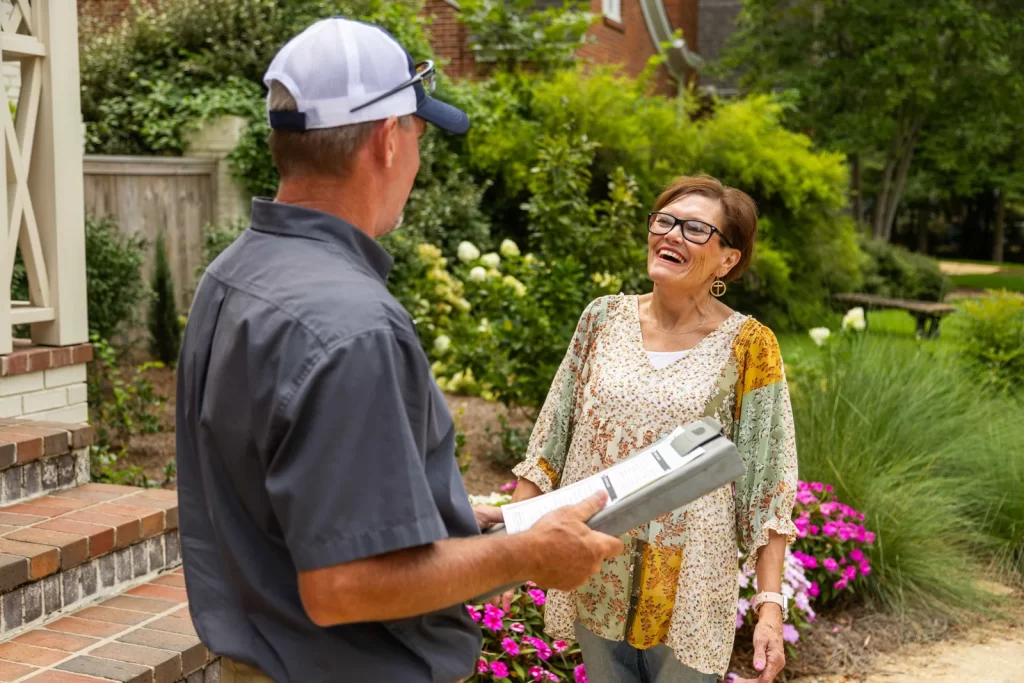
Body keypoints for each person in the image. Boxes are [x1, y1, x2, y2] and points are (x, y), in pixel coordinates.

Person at [175, 17, 622, 683]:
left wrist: (441, 510)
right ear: (388, 140)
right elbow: (344, 586)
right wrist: (527, 554)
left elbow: (281, 493)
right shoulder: (353, 325)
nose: (417, 158)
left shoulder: (232, 275)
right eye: (419, 135)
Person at [507, 175, 799, 683]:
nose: (670, 235)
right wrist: (507, 551)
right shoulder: (601, 319)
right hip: (596, 564)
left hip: (690, 579)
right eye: (664, 220)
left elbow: (768, 483)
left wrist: (769, 604)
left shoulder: (749, 346)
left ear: (728, 259)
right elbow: (549, 440)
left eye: (693, 229)